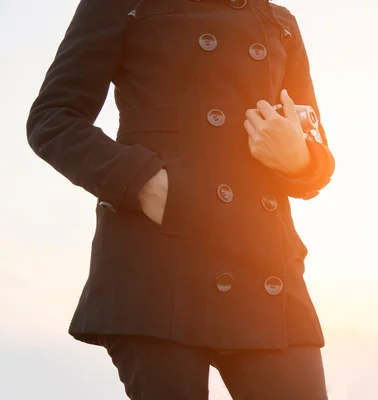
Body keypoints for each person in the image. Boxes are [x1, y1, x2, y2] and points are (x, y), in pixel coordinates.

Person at [26, 0, 335, 398]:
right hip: (160, 262)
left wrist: (300, 159)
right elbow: (52, 118)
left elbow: (314, 149)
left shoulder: (280, 22)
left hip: (266, 270)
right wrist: (143, 181)